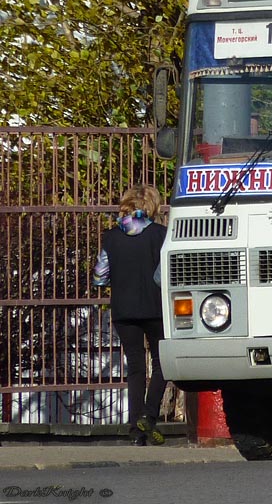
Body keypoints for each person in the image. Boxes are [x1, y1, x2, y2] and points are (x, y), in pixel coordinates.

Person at [92, 184, 169, 446]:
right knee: (162, 364)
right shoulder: (160, 235)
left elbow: (99, 277)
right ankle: (149, 415)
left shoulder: (111, 237)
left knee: (135, 367)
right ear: (152, 207)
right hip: (155, 308)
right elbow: (165, 274)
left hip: (124, 311)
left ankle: (135, 429)